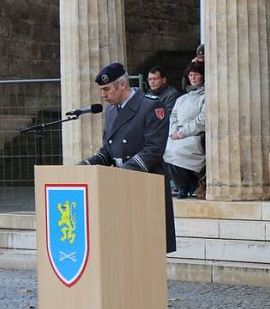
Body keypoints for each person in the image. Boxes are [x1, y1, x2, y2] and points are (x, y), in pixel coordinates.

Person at [82, 62, 177, 253]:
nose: (103, 95)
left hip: (145, 185)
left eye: (107, 89)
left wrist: (120, 173)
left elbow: (153, 150)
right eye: (101, 90)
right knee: (123, 247)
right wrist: (84, 166)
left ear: (122, 85)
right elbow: (108, 150)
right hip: (120, 187)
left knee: (146, 248)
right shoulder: (110, 111)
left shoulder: (151, 106)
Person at [164, 61, 206, 199]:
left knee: (177, 151)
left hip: (195, 134)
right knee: (167, 148)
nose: (193, 78)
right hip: (178, 134)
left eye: (196, 75)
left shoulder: (205, 97)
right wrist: (173, 132)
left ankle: (189, 184)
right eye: (190, 75)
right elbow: (173, 116)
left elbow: (202, 120)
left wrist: (183, 133)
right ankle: (182, 185)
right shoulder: (182, 99)